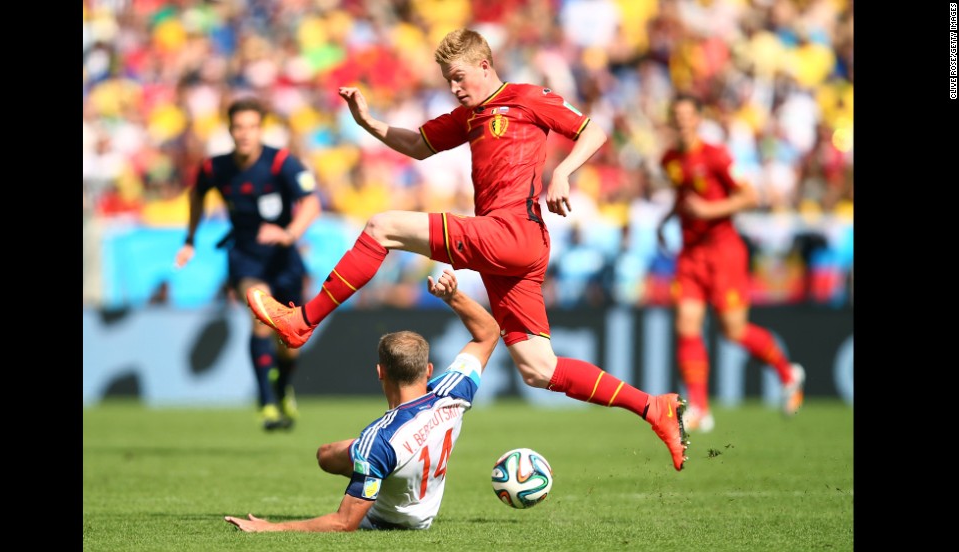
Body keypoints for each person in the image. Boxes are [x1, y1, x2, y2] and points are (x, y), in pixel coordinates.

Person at [246, 28, 690, 470]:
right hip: (514, 247)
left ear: (484, 65)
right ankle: (654, 407)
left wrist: (563, 172)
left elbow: (594, 131)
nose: (454, 89)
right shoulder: (470, 116)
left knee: (382, 227)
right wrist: (367, 122)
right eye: (447, 81)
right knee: (538, 368)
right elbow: (418, 145)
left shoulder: (527, 96)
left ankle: (302, 321)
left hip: (512, 232)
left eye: (459, 77)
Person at [225, 269, 500, 532]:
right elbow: (488, 332)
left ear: (380, 372)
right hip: (423, 497)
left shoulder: (378, 440)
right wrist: (453, 296)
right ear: (428, 370)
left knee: (329, 456)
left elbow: (343, 524)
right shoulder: (452, 392)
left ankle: (372, 466)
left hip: (387, 518)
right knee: (327, 454)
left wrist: (272, 527)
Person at [656, 93, 806, 434]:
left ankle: (787, 372)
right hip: (692, 253)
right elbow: (684, 195)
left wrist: (709, 211)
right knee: (686, 325)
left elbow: (751, 196)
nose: (681, 123)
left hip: (724, 252)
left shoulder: (716, 155)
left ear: (697, 119)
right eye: (675, 117)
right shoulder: (669, 158)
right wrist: (664, 221)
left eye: (686, 117)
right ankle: (700, 408)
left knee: (733, 331)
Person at [174, 96, 322, 431]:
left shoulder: (281, 163)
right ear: (229, 130)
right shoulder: (215, 167)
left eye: (252, 127)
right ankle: (267, 402)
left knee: (291, 342)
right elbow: (196, 195)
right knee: (260, 317)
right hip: (244, 255)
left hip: (284, 258)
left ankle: (282, 388)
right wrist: (189, 239)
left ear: (261, 129)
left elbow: (311, 203)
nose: (245, 134)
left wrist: (289, 233)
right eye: (239, 127)